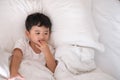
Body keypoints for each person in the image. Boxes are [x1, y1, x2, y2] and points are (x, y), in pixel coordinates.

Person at [8, 13, 57, 80]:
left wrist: (46, 51)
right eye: (37, 33)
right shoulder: (23, 43)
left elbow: (53, 70)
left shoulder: (49, 49)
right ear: (28, 34)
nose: (42, 37)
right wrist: (14, 73)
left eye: (46, 33)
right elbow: (16, 56)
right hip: (25, 74)